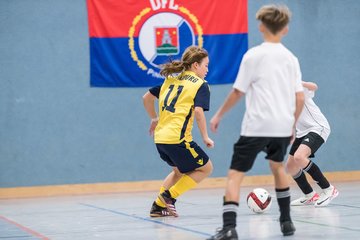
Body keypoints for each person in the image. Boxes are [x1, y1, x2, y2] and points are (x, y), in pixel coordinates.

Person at [207, 4, 305, 239]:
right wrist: (292, 125)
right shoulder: (291, 59)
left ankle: (229, 228)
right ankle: (286, 221)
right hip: (281, 127)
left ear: (261, 27)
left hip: (256, 126)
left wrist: (219, 114)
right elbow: (299, 96)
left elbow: (238, 92)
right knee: (277, 167)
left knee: (234, 175)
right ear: (286, 30)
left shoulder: (253, 55)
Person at [142, 46, 214, 218]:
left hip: (160, 139)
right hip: (177, 139)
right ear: (195, 65)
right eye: (205, 65)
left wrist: (154, 118)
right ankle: (169, 197)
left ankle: (157, 208)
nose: (207, 69)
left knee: (178, 172)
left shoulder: (171, 80)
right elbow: (198, 112)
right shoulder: (200, 85)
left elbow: (146, 98)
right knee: (206, 168)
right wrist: (205, 136)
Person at [286, 81, 338, 207]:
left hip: (317, 127)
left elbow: (314, 86)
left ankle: (328, 189)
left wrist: (299, 82)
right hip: (301, 132)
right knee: (291, 166)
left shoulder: (296, 86)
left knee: (299, 157)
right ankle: (309, 195)